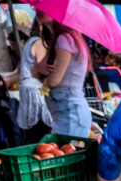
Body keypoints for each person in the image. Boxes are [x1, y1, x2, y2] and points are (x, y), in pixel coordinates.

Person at [30, 9, 91, 138]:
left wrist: (42, 78)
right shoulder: (59, 40)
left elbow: (53, 80)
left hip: (71, 114)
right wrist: (38, 71)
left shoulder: (64, 39)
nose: (39, 10)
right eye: (37, 7)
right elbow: (36, 72)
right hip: (66, 113)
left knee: (64, 155)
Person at [16, 22, 52, 144]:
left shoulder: (30, 42)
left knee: (32, 137)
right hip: (36, 93)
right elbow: (43, 70)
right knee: (42, 136)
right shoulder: (39, 43)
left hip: (28, 92)